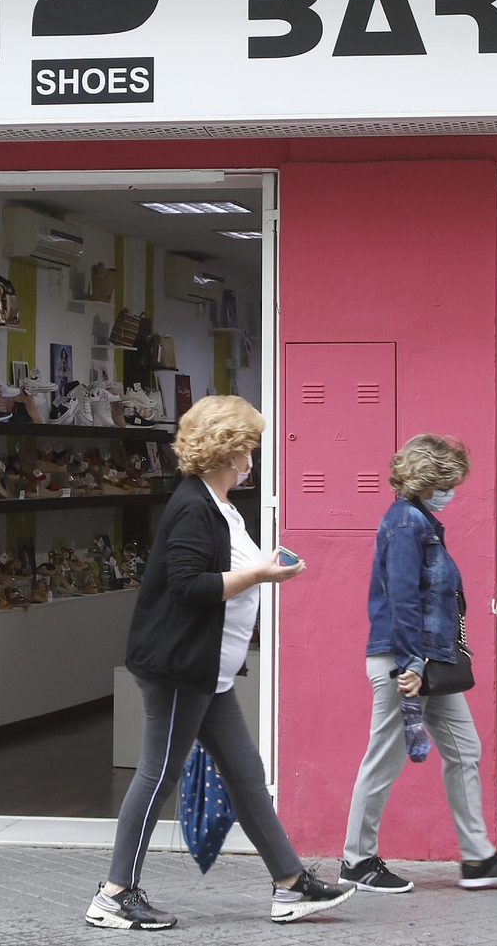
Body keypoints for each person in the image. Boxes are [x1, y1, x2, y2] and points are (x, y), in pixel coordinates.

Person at [86, 395, 354, 931]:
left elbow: (219, 569)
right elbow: (188, 587)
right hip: (182, 669)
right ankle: (114, 894)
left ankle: (290, 884)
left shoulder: (217, 504)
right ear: (227, 452)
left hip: (208, 672)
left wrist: (263, 566)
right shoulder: (194, 507)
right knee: (157, 775)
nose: (251, 460)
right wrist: (260, 575)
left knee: (246, 774)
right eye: (247, 449)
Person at [339, 434, 497, 894]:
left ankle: (479, 859)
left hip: (430, 662)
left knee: (465, 751)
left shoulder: (418, 520)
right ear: (427, 481)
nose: (451, 493)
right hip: (407, 663)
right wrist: (411, 662)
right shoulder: (407, 524)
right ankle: (356, 861)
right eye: (447, 484)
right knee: (383, 760)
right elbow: (403, 598)